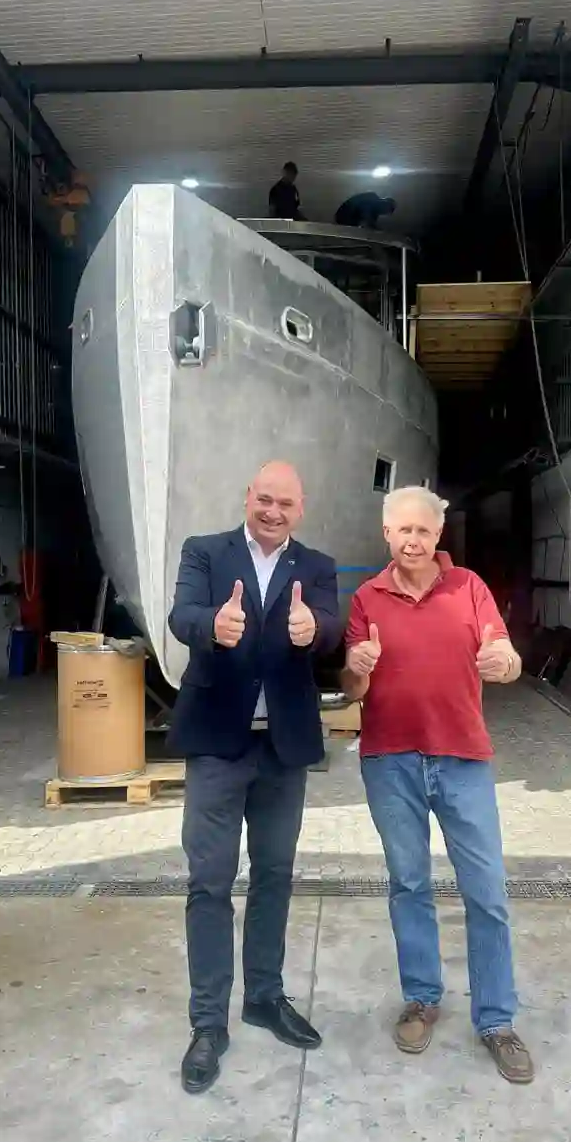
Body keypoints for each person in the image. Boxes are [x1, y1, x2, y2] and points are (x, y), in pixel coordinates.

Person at [341, 485, 534, 1084]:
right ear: (387, 535)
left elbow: (504, 654)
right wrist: (356, 669)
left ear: (437, 535)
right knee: (408, 884)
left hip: (462, 759)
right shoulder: (366, 598)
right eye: (403, 530)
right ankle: (422, 998)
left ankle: (496, 1020)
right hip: (390, 760)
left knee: (486, 891)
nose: (413, 540)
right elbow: (352, 690)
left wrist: (505, 662)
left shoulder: (469, 587)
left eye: (423, 530)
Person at [167, 461, 343, 1093]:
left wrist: (314, 628)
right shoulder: (205, 552)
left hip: (282, 749)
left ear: (301, 509)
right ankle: (208, 1023)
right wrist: (211, 627)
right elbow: (181, 615)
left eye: (285, 504)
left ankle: (264, 997)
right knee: (209, 882)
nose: (273, 512)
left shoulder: (316, 566)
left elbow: (335, 629)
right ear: (248, 498)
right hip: (217, 743)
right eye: (264, 499)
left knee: (274, 875)